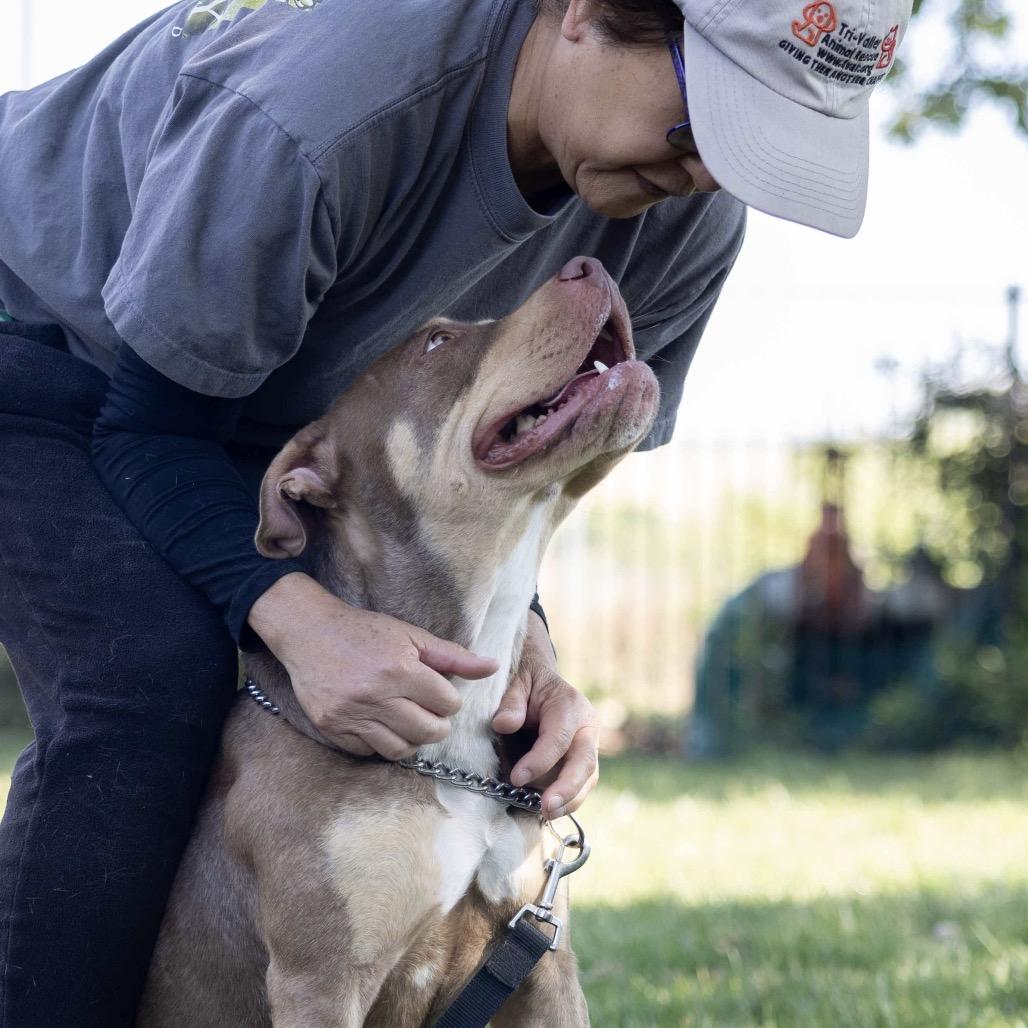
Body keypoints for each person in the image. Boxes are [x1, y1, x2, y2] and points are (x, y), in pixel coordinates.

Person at [0, 0, 910, 1022]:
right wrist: (305, 620)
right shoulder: (320, 120)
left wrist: (531, 652)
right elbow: (151, 432)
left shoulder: (682, 209)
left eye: (757, 143)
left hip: (252, 379)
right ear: (581, 15)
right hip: (38, 334)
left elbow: (529, 474)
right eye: (706, 122)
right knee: (148, 673)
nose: (708, 171)